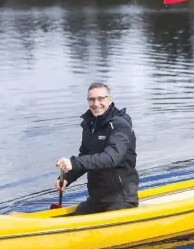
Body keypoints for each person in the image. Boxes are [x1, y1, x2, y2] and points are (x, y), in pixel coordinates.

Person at [55, 82, 139, 215]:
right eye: (92, 99)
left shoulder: (120, 126)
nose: (96, 103)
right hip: (97, 199)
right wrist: (66, 178)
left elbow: (111, 158)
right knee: (73, 218)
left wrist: (73, 163)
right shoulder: (90, 125)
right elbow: (85, 156)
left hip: (122, 199)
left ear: (110, 100)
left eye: (100, 98)